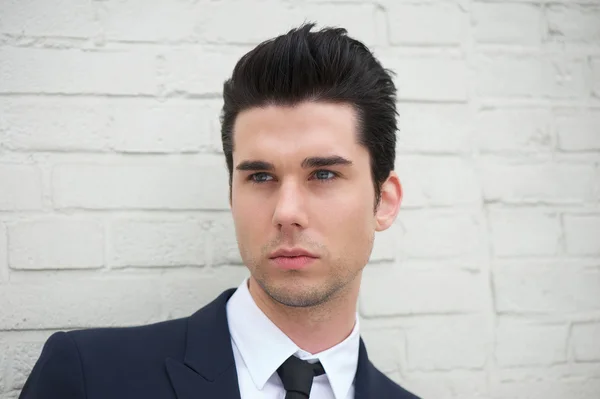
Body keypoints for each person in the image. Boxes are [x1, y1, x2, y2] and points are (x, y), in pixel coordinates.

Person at [19, 23, 419, 399]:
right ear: (232, 195)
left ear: (384, 201)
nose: (287, 212)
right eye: (261, 177)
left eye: (325, 174)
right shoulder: (90, 376)